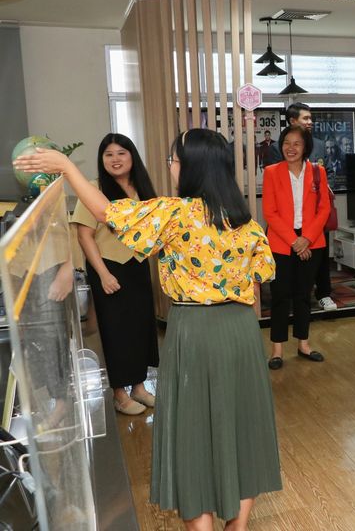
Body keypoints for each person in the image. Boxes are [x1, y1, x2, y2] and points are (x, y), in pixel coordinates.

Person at [16, 128, 281, 530]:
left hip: (195, 330)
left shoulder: (175, 213)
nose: (170, 167)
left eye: (173, 160)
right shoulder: (248, 223)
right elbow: (258, 287)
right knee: (242, 424)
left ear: (191, 167)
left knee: (192, 432)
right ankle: (238, 525)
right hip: (242, 332)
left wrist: (67, 167)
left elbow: (107, 213)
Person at [71, 133, 159, 416]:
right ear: (102, 160)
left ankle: (139, 387)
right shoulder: (93, 188)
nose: (115, 159)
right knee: (116, 332)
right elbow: (84, 236)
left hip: (137, 266)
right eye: (108, 154)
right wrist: (103, 274)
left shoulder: (142, 188)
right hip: (108, 268)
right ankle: (119, 394)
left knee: (140, 327)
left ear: (132, 156)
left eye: (121, 153)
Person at [262, 125, 331, 368]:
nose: (290, 148)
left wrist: (307, 239)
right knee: (280, 295)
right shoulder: (271, 172)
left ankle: (303, 344)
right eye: (286, 143)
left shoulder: (318, 172)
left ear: (305, 147)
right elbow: (269, 212)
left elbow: (324, 209)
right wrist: (295, 241)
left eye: (296, 144)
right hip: (282, 242)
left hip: (311, 241)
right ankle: (277, 350)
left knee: (303, 294)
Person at [286, 102, 338, 312]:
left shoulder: (319, 144)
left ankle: (324, 294)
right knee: (292, 258)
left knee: (321, 258)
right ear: (293, 121)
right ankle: (294, 297)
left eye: (311, 118)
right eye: (305, 118)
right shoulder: (279, 147)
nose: (310, 122)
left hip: (317, 215)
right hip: (291, 216)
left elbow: (328, 175)